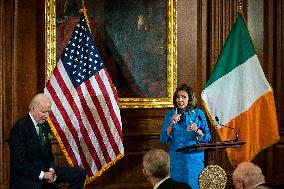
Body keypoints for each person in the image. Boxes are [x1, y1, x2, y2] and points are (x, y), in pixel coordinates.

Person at [9, 93, 86, 189]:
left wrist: (51, 170)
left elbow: (49, 155)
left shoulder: (45, 126)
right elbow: (19, 162)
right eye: (43, 112)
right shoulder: (20, 128)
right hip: (28, 177)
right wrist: (43, 175)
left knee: (79, 173)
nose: (47, 116)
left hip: (47, 171)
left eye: (48, 112)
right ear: (33, 109)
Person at [160, 84, 211, 189]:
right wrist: (172, 124)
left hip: (195, 159)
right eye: (178, 97)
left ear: (190, 99)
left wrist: (197, 130)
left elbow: (207, 138)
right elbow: (163, 139)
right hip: (177, 158)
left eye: (184, 97)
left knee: (194, 185)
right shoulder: (170, 114)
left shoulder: (198, 114)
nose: (180, 99)